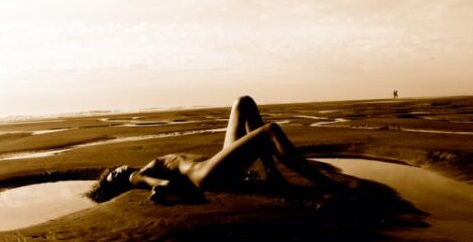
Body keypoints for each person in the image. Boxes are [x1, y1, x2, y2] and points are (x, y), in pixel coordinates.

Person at [87, 96, 339, 203]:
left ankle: (273, 173)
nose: (117, 171)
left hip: (213, 166)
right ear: (120, 183)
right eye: (114, 177)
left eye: (114, 171)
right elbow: (164, 185)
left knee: (243, 103)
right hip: (207, 175)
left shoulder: (140, 171)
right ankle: (325, 184)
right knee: (270, 131)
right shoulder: (135, 177)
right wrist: (161, 192)